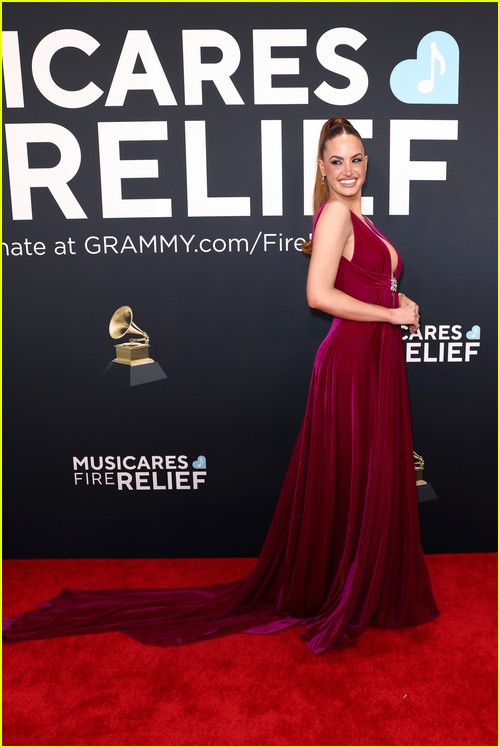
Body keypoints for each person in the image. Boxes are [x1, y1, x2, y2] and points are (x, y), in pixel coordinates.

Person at [3, 117, 439, 655]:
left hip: (375, 359)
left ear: (367, 163)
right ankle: (344, 588)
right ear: (322, 170)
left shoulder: (359, 217)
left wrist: (401, 306)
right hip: (352, 363)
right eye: (336, 161)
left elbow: (375, 284)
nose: (347, 170)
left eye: (356, 159)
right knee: (352, 472)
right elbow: (318, 296)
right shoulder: (333, 218)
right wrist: (389, 314)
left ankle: (361, 582)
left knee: (367, 474)